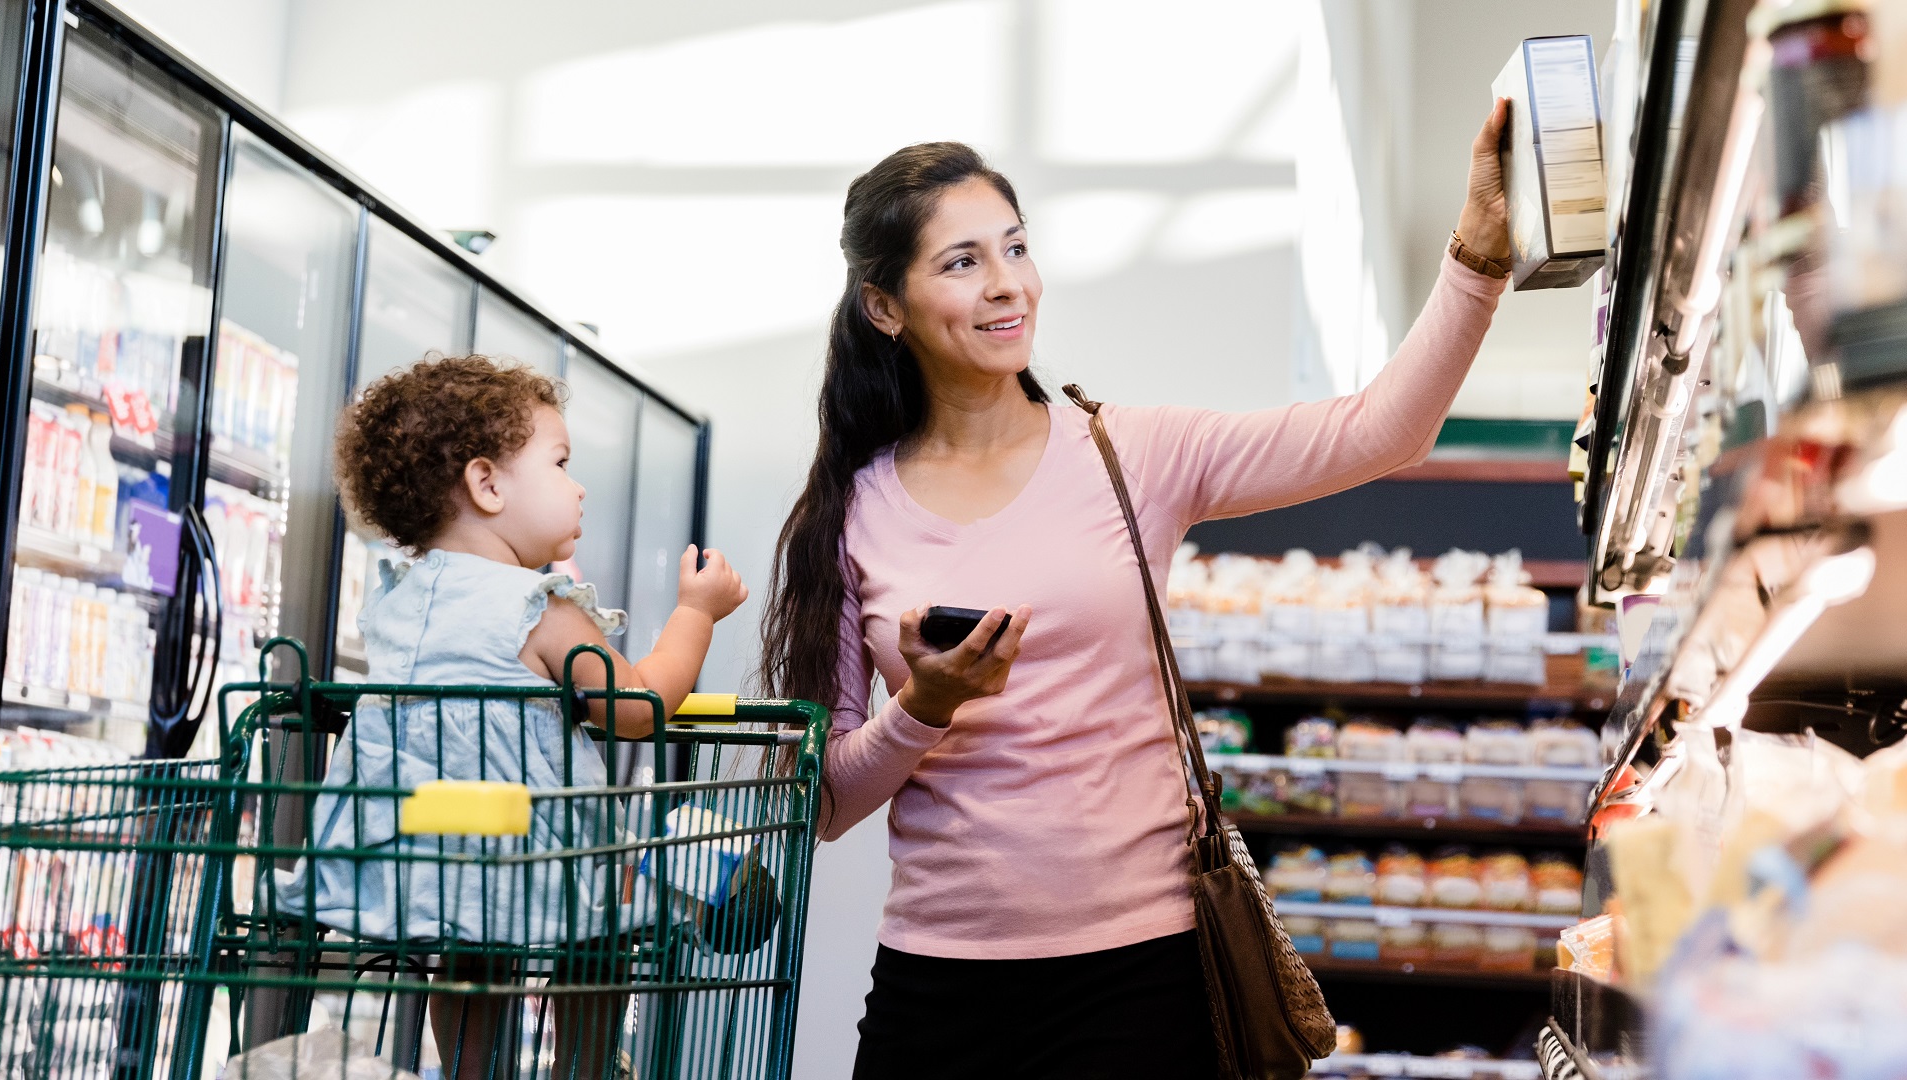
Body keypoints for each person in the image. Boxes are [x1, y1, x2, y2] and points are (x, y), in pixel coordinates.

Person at [759, 100, 1513, 1079]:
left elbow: (1381, 431)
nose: (1005, 287)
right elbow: (822, 803)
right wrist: (927, 705)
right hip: (938, 983)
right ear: (884, 306)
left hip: (1144, 977)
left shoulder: (1133, 454)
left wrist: (1479, 258)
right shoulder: (851, 512)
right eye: (961, 263)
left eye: (1015, 248)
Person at [282, 355, 749, 1079]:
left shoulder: (397, 600)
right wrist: (696, 613)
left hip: (427, 853)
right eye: (561, 463)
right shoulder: (538, 608)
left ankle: (469, 1073)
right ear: (487, 483)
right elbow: (639, 708)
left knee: (471, 951)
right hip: (544, 849)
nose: (579, 485)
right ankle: (586, 1069)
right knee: (603, 935)